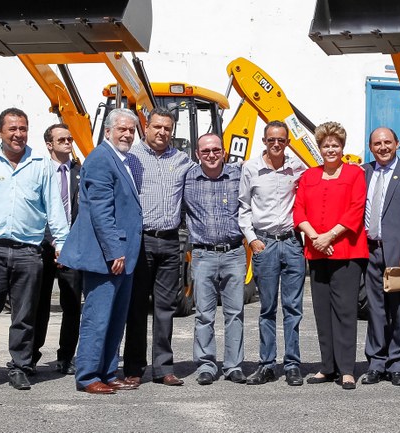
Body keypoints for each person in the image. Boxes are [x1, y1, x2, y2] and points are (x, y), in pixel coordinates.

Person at [0, 108, 69, 391]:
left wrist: (61, 242)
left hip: (28, 252)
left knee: (25, 315)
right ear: (0, 132)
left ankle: (21, 366)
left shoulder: (41, 165)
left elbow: (54, 208)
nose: (18, 134)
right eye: (12, 129)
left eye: (23, 128)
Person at [57, 108, 142, 394]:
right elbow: (101, 212)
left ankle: (107, 371)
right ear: (107, 132)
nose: (127, 134)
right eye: (121, 129)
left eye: (131, 130)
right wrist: (115, 250)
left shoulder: (123, 160)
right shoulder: (100, 160)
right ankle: (88, 375)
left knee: (116, 318)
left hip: (123, 256)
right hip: (107, 257)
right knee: (98, 316)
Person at [293, 121, 368, 390]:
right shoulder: (309, 177)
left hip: (346, 252)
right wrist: (315, 236)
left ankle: (347, 369)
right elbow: (298, 211)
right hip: (316, 252)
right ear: (320, 147)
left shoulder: (354, 174)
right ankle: (327, 366)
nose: (331, 149)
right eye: (326, 145)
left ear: (342, 147)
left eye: (335, 145)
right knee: (321, 311)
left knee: (345, 311)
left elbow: (355, 209)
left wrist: (329, 236)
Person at [123, 108, 191, 387]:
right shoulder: (131, 158)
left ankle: (163, 368)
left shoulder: (182, 160)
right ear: (146, 128)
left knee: (166, 308)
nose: (162, 132)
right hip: (141, 240)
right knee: (136, 307)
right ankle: (134, 368)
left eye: (167, 128)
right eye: (157, 127)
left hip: (171, 240)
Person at [239, 121, 307, 386]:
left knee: (293, 308)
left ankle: (292, 365)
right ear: (264, 141)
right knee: (267, 308)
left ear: (288, 142)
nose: (276, 144)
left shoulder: (297, 168)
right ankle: (267, 364)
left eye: (281, 140)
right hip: (264, 244)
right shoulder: (251, 169)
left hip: (291, 244)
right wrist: (252, 239)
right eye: (271, 140)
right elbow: (243, 207)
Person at [361, 127, 400, 386]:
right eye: (377, 143)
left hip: (397, 252)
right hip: (369, 249)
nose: (383, 147)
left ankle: (398, 362)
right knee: (374, 309)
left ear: (397, 144)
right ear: (371, 147)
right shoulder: (363, 172)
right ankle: (376, 361)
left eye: (387, 142)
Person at [183, 133, 247, 386]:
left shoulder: (238, 175)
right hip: (202, 254)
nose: (211, 155)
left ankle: (233, 366)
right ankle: (207, 365)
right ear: (198, 154)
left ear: (224, 152)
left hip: (234, 253)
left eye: (216, 150)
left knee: (235, 313)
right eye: (206, 151)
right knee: (204, 314)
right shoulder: (187, 177)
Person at [32, 124, 83, 375]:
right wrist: (51, 240)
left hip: (71, 247)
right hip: (42, 246)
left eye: (70, 138)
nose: (68, 142)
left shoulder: (79, 171)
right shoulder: (38, 170)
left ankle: (66, 357)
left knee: (72, 304)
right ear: (49, 144)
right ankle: (31, 355)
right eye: (61, 139)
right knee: (38, 304)